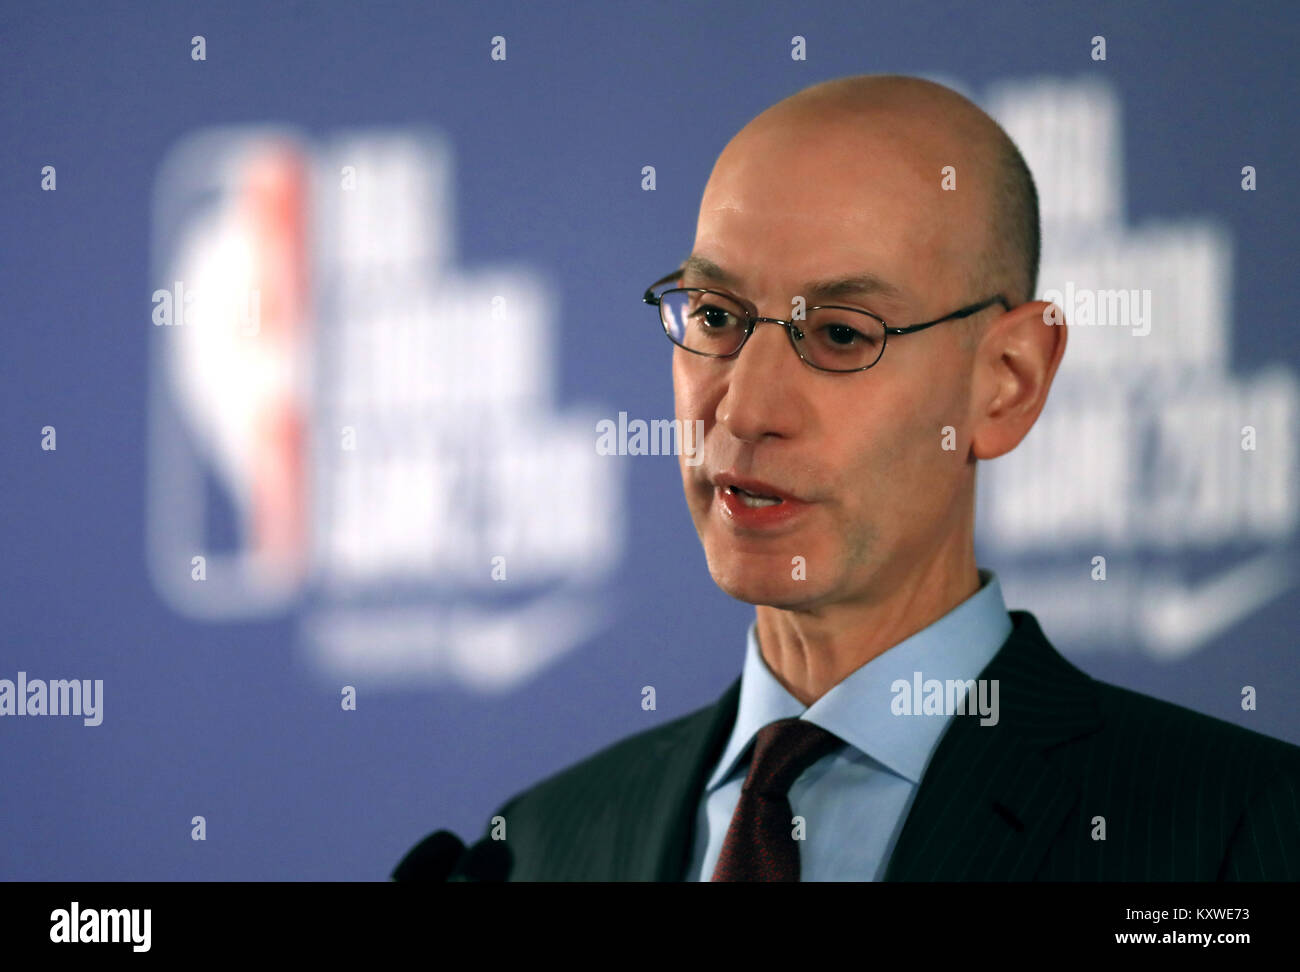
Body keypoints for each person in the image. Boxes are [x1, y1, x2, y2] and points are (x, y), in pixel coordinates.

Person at [397, 73, 1300, 881]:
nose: (745, 410)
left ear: (1007, 383)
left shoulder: (1229, 834)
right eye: (715, 314)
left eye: (839, 334)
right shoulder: (539, 850)